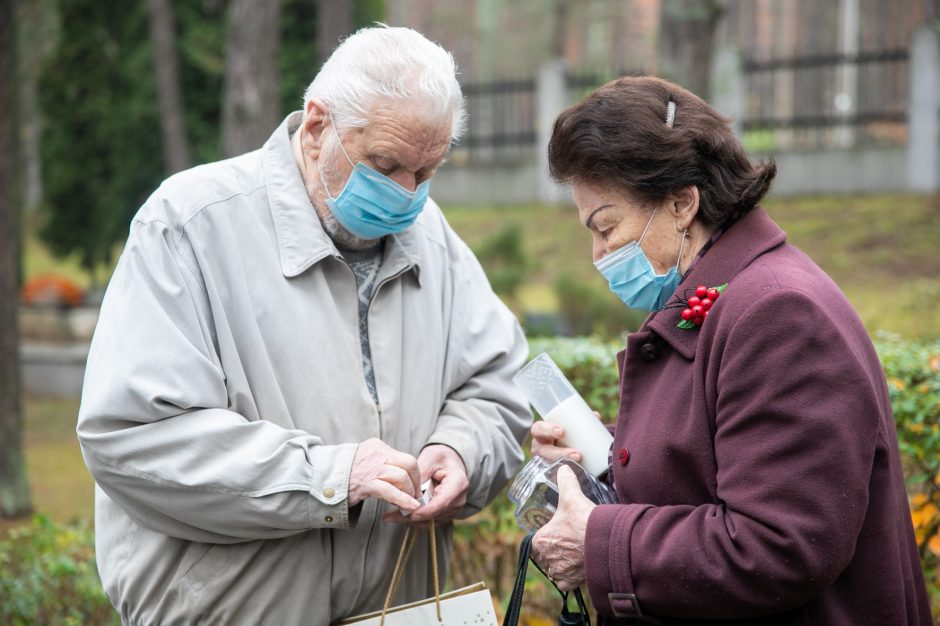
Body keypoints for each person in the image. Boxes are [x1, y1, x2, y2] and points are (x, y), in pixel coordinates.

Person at [76, 25, 532, 625]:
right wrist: (329, 479)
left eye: (426, 173)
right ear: (317, 127)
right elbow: (132, 435)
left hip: (400, 608)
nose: (405, 196)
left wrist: (462, 449)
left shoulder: (432, 236)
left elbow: (496, 384)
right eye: (386, 164)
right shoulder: (188, 225)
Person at [528, 76, 932, 625]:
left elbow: (778, 544)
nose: (598, 254)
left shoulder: (778, 312)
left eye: (607, 226)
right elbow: (722, 461)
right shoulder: (729, 295)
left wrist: (598, 541)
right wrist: (606, 456)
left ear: (681, 202)